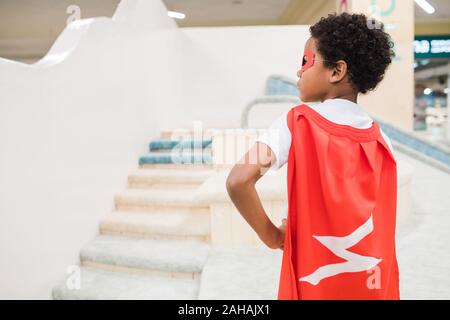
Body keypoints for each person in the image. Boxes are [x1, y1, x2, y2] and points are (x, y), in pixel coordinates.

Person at [226, 12, 399, 300]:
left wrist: (272, 236)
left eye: (306, 62)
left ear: (336, 71)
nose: (298, 72)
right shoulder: (383, 141)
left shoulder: (296, 122)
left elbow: (238, 180)